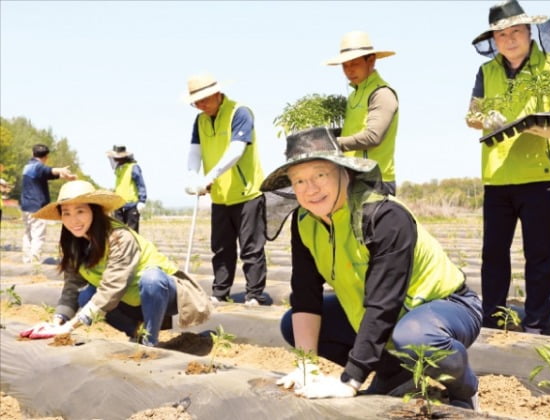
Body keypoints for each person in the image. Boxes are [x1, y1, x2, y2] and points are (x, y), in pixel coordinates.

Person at [260, 127, 482, 409]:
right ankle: (394, 374)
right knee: (291, 322)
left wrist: (350, 380)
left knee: (414, 337)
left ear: (344, 172)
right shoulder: (304, 221)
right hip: (381, 314)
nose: (310, 188)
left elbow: (383, 303)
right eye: (299, 180)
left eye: (320, 174)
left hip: (445, 307)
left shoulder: (384, 216)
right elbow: (306, 294)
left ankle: (464, 389)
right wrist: (306, 365)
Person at [466, 0, 550, 334]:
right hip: (497, 178)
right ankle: (492, 319)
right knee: (494, 255)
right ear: (493, 40)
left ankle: (536, 324)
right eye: (501, 34)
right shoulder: (486, 72)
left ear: (529, 32)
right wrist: (485, 118)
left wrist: (535, 126)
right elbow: (472, 115)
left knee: (541, 255)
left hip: (539, 177)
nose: (509, 39)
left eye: (516, 31)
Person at [19, 180, 211, 346]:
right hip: (128, 299)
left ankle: (150, 341)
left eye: (80, 211)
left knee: (151, 279)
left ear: (94, 210)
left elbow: (111, 289)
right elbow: (71, 287)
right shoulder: (74, 244)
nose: (73, 220)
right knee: (86, 296)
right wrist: (57, 322)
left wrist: (70, 327)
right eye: (66, 213)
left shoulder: (119, 238)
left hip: (164, 294)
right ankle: (135, 332)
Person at [183, 73, 267, 306]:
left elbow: (236, 150)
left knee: (251, 248)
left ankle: (254, 295)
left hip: (247, 193)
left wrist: (209, 176)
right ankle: (220, 293)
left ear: (217, 93)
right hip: (220, 196)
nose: (201, 105)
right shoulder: (200, 120)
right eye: (196, 102)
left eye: (204, 100)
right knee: (221, 248)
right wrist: (192, 176)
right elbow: (195, 152)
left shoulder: (239, 112)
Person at [325, 30, 399, 196]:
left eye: (355, 63)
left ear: (371, 61)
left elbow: (373, 136)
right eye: (345, 65)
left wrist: (333, 143)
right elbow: (353, 131)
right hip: (352, 177)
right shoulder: (354, 95)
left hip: (376, 181)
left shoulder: (381, 93)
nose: (349, 70)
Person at [20, 144, 77, 264]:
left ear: (32, 153)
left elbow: (49, 174)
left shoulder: (27, 167)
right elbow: (49, 170)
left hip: (25, 206)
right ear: (46, 157)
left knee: (28, 233)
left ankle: (26, 259)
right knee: (38, 234)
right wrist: (61, 170)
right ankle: (34, 260)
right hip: (37, 206)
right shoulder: (38, 167)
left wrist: (64, 176)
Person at [106, 145, 147, 233]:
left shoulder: (133, 167)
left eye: (117, 158)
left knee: (132, 233)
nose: (115, 160)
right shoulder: (118, 170)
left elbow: (140, 184)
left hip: (131, 205)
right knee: (119, 232)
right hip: (118, 205)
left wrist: (142, 201)